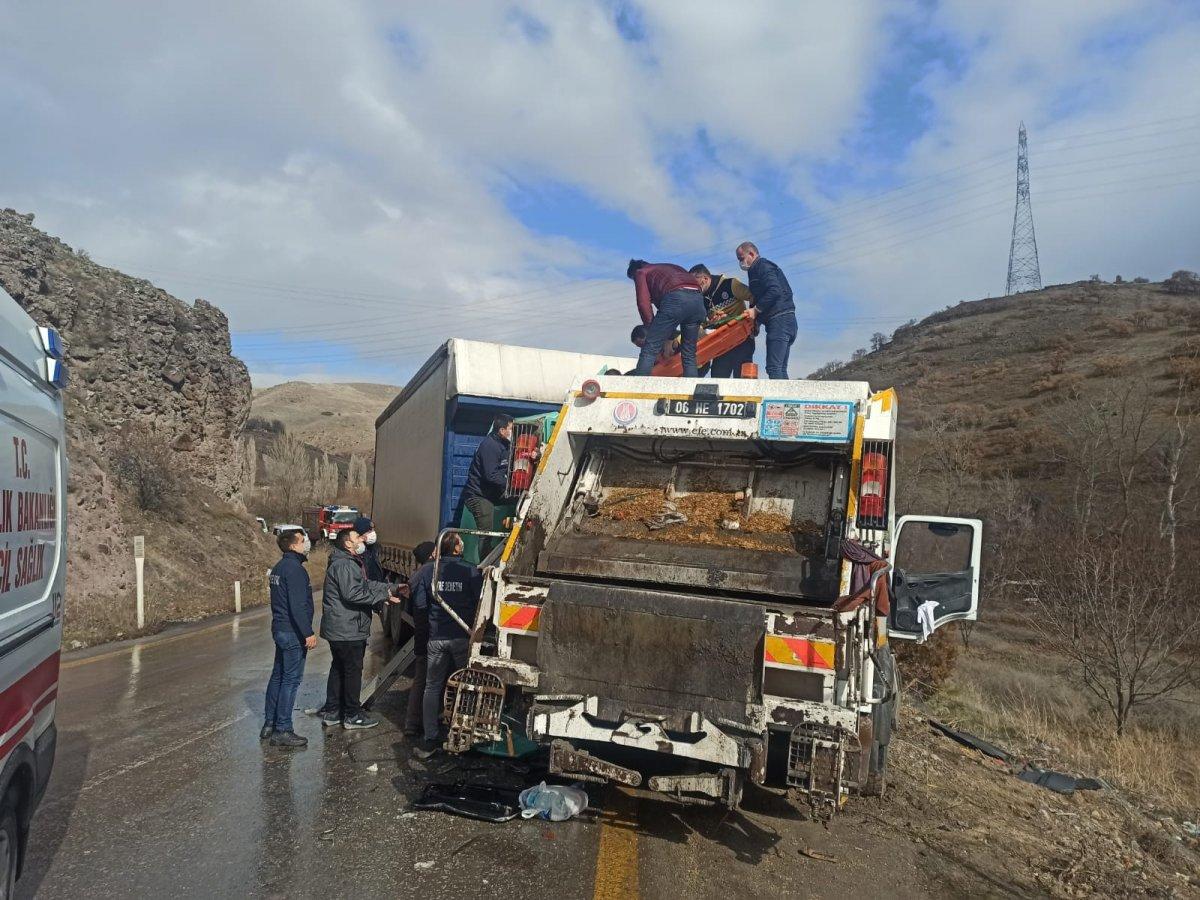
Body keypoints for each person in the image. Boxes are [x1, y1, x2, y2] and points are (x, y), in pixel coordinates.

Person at [319, 528, 402, 730]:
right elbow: (354, 593)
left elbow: (364, 584)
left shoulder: (345, 563)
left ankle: (333, 711)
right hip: (348, 628)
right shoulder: (345, 565)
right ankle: (352, 715)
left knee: (339, 669)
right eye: (358, 537)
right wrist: (382, 596)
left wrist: (389, 589)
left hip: (342, 627)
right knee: (352, 671)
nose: (362, 539)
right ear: (348, 543)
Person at [411, 532, 484, 758]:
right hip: (462, 637)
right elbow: (479, 605)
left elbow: (420, 606)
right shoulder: (470, 571)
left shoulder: (428, 571)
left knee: (432, 687)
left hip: (436, 639)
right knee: (464, 686)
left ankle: (430, 737)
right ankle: (462, 735)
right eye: (460, 542)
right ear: (456, 549)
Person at [262, 528, 316, 749]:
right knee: (290, 680)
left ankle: (270, 724)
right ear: (293, 546)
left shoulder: (279, 567)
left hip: (280, 630)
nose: (306, 544)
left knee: (278, 676)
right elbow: (297, 606)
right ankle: (283, 729)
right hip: (293, 632)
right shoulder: (295, 570)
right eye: (302, 541)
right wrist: (308, 633)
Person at [627, 259, 706, 377]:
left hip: (676, 298)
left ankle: (639, 390)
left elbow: (643, 303)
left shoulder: (641, 272)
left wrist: (651, 330)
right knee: (689, 353)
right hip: (698, 301)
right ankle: (692, 389)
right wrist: (668, 337)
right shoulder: (669, 268)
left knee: (650, 348)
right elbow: (665, 310)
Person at [735, 242, 796, 379]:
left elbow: (774, 291)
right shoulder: (756, 270)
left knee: (774, 368)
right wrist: (757, 322)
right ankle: (784, 399)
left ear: (751, 254)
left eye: (741, 258)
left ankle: (778, 400)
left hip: (779, 319)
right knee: (780, 368)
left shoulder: (762, 266)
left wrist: (756, 310)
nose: (740, 263)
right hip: (786, 319)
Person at [689, 263, 756, 378]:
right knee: (717, 377)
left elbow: (753, 296)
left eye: (694, 283)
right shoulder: (700, 298)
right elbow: (702, 323)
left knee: (742, 379)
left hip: (742, 339)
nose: (693, 288)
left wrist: (752, 319)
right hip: (721, 344)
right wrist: (711, 322)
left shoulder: (730, 284)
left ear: (704, 279)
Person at [461, 414, 513, 557]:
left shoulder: (505, 445)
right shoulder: (489, 446)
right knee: (486, 532)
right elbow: (491, 476)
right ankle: (485, 565)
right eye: (510, 428)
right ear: (502, 430)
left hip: (493, 492)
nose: (511, 432)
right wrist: (510, 483)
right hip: (479, 496)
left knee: (519, 501)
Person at [403, 540, 437, 738]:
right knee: (432, 682)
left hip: (422, 634)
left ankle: (412, 723)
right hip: (433, 634)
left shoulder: (416, 576)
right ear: (431, 555)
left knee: (421, 680)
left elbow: (411, 609)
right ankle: (428, 722)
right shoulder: (432, 571)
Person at [354, 515, 385, 581]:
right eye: (370, 530)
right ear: (361, 533)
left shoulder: (373, 549)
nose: (373, 533)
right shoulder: (354, 553)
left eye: (374, 529)